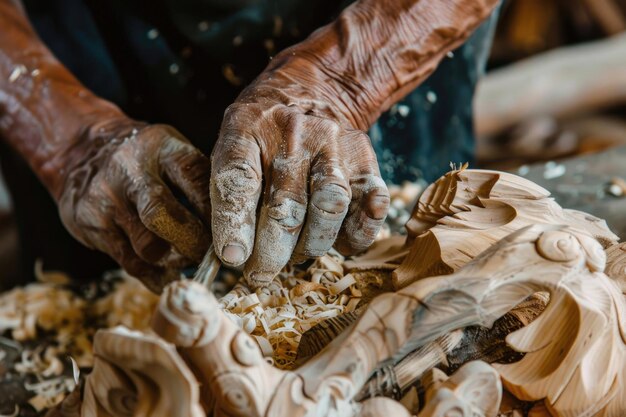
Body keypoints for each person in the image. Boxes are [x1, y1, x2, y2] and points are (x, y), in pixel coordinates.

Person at [0, 0, 500, 291]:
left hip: (382, 26)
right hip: (86, 39)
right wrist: (69, 141)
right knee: (89, 303)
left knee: (411, 275)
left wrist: (338, 84)